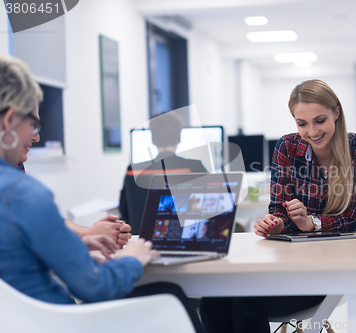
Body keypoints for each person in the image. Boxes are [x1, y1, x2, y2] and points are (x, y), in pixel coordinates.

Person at [0, 55, 206, 332]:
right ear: (9, 120)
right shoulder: (23, 193)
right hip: (59, 323)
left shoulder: (134, 169)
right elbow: (94, 286)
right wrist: (132, 258)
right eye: (33, 125)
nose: (36, 137)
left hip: (17, 323)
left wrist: (80, 242)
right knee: (170, 295)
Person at [199, 79, 356, 333]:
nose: (312, 131)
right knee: (211, 303)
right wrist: (275, 223)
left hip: (329, 269)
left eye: (320, 120)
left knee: (245, 304)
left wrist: (312, 223)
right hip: (283, 265)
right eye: (302, 123)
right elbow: (278, 209)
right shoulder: (287, 147)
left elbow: (352, 218)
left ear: (336, 113)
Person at [18, 134, 131, 246]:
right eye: (31, 124)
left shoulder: (17, 166)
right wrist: (87, 234)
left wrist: (90, 234)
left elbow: (43, 218)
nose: (37, 138)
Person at [119, 111, 207, 234]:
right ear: (179, 137)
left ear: (152, 139)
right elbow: (211, 209)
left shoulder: (133, 171)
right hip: (185, 241)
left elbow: (124, 211)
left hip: (142, 244)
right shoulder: (196, 168)